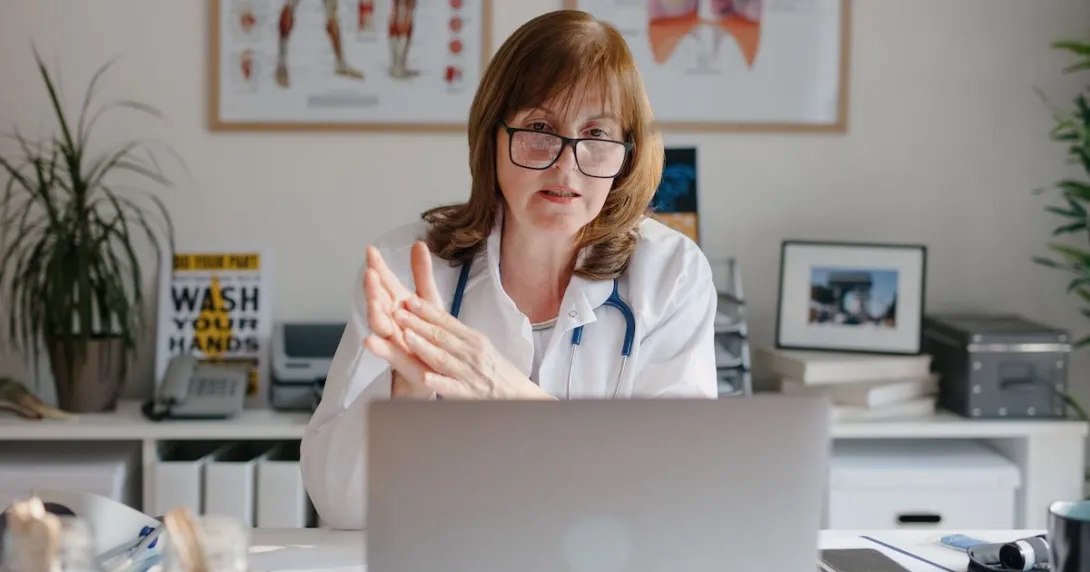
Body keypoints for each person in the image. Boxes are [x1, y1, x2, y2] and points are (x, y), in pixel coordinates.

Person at [300, 9, 720, 530]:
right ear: (492, 136)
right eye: (540, 128)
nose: (566, 164)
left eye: (596, 133)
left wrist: (503, 389)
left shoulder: (670, 274)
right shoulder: (409, 266)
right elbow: (338, 506)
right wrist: (404, 394)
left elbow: (681, 491)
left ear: (627, 154)